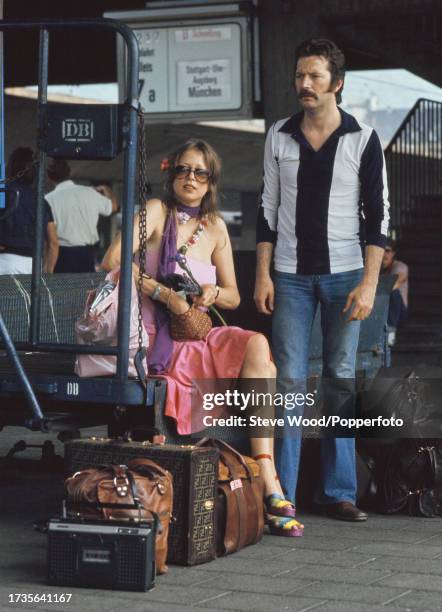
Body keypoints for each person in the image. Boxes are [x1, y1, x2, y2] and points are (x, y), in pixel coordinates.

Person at [102, 138, 304, 537]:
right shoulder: (158, 212)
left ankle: (264, 469)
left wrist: (210, 294)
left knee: (258, 346)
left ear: (211, 182)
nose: (190, 178)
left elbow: (233, 295)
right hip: (162, 337)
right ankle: (272, 487)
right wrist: (165, 295)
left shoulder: (215, 228)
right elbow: (113, 261)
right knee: (259, 359)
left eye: (200, 172)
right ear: (171, 174)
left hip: (198, 331)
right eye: (183, 169)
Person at [254, 38, 389, 522]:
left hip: (347, 275)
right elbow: (266, 210)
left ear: (337, 83)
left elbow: (378, 217)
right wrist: (263, 274)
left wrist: (370, 283)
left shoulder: (363, 138)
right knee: (288, 381)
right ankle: (282, 493)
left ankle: (339, 492)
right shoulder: (279, 135)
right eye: (298, 76)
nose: (304, 84)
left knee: (338, 379)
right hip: (288, 276)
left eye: (313, 76)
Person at [45, 159, 118, 273]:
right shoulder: (90, 193)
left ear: (49, 178)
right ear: (70, 173)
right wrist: (106, 189)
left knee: (61, 289)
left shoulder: (48, 199)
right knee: (84, 289)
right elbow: (113, 207)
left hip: (61, 255)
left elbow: (50, 239)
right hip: (86, 255)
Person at [0, 147, 58, 274]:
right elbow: (53, 243)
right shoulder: (41, 202)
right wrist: (48, 270)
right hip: (32, 265)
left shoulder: (3, 194)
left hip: (4, 261)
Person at [381, 238, 408, 346]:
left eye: (387, 251)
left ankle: (391, 331)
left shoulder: (400, 266)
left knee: (393, 292)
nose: (384, 254)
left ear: (393, 253)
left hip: (399, 312)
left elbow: (399, 280)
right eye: (381, 250)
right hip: (382, 309)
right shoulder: (377, 268)